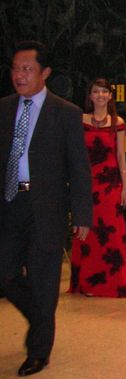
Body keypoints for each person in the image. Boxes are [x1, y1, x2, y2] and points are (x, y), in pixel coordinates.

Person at [0, 40, 92, 376]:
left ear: (45, 73)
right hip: (10, 203)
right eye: (15, 68)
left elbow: (79, 168)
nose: (19, 75)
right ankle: (40, 319)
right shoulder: (3, 108)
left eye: (27, 69)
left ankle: (39, 351)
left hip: (47, 208)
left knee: (42, 280)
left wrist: (82, 215)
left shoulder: (65, 113)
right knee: (5, 273)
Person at [68, 78, 126, 298]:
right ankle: (88, 282)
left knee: (111, 232)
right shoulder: (79, 120)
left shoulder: (117, 122)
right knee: (87, 231)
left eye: (104, 91)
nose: (100, 95)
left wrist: (124, 187)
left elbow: (121, 156)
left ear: (110, 96)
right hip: (86, 183)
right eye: (96, 91)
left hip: (110, 184)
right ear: (90, 96)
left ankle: (115, 283)